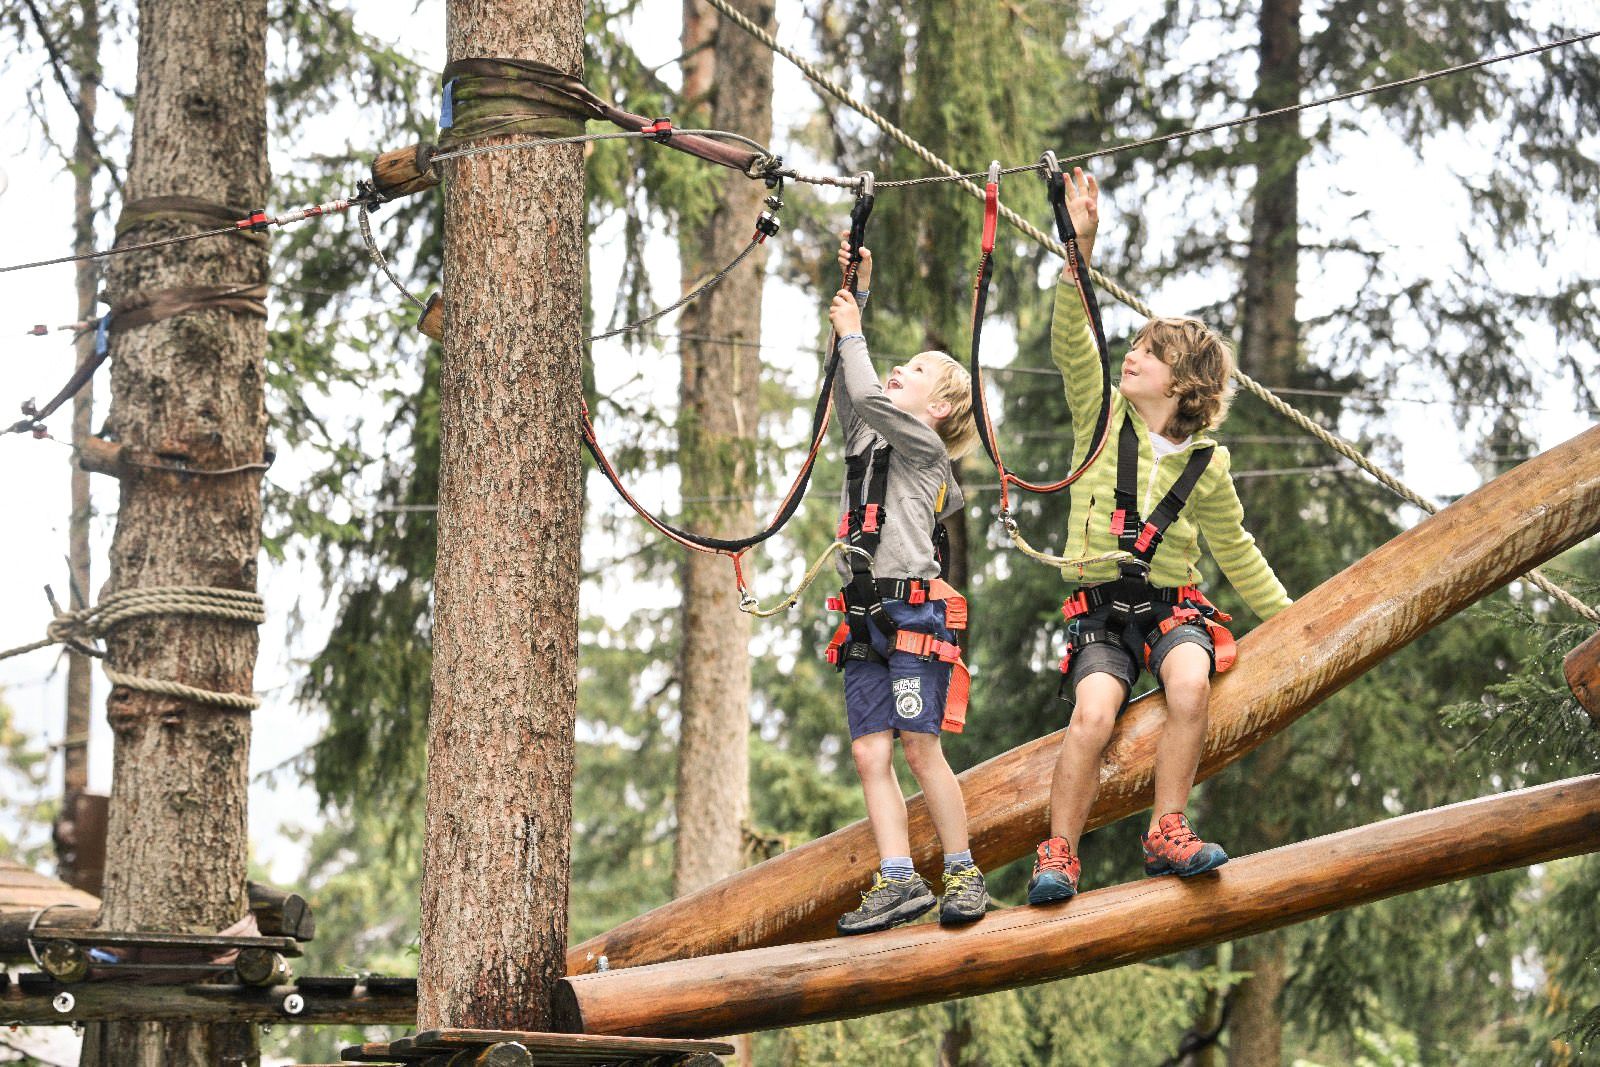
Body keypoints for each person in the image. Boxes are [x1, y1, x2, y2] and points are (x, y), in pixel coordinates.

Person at [1029, 169, 1293, 905]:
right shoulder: (1101, 417)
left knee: (1188, 683)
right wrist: (1078, 248)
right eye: (1136, 344)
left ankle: (1167, 826)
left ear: (1184, 386)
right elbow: (1074, 341)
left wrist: (1291, 616)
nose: (1132, 354)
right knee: (1092, 714)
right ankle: (1060, 852)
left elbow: (1235, 547)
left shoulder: (1209, 463)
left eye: (1150, 350)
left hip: (1173, 608)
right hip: (1100, 613)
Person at [823, 232, 989, 934]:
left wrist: (858, 330)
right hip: (863, 614)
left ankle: (961, 866)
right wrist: (854, 293)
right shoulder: (867, 436)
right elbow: (847, 385)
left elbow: (865, 384)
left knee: (921, 745)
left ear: (939, 409)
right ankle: (898, 876)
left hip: (911, 614)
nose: (898, 367)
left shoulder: (922, 448)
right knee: (869, 750)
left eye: (915, 370)